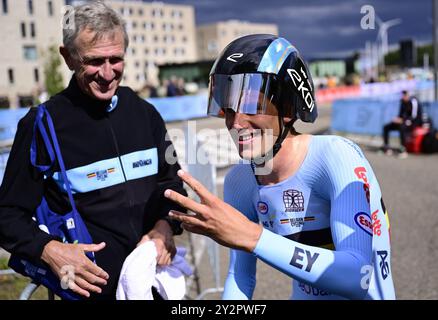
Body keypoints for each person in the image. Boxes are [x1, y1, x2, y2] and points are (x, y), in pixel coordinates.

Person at [164, 34, 396, 300]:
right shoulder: (240, 180)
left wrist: (252, 236)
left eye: (251, 104)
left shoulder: (336, 156)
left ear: (287, 108)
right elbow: (240, 276)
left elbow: (359, 277)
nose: (236, 123)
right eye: (228, 109)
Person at [0, 1, 186, 299]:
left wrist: (165, 227)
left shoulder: (144, 113)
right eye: (95, 61)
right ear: (68, 57)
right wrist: (50, 250)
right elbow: (7, 215)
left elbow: (173, 185)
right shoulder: (42, 124)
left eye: (116, 59)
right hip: (93, 291)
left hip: (152, 282)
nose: (108, 73)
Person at [382, 90, 423, 158]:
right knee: (386, 127)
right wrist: (397, 119)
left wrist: (403, 120)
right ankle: (387, 148)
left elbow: (414, 116)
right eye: (402, 96)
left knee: (402, 128)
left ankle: (403, 150)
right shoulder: (402, 102)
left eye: (404, 95)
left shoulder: (413, 101)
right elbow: (400, 115)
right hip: (403, 122)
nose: (403, 97)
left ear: (408, 95)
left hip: (414, 123)